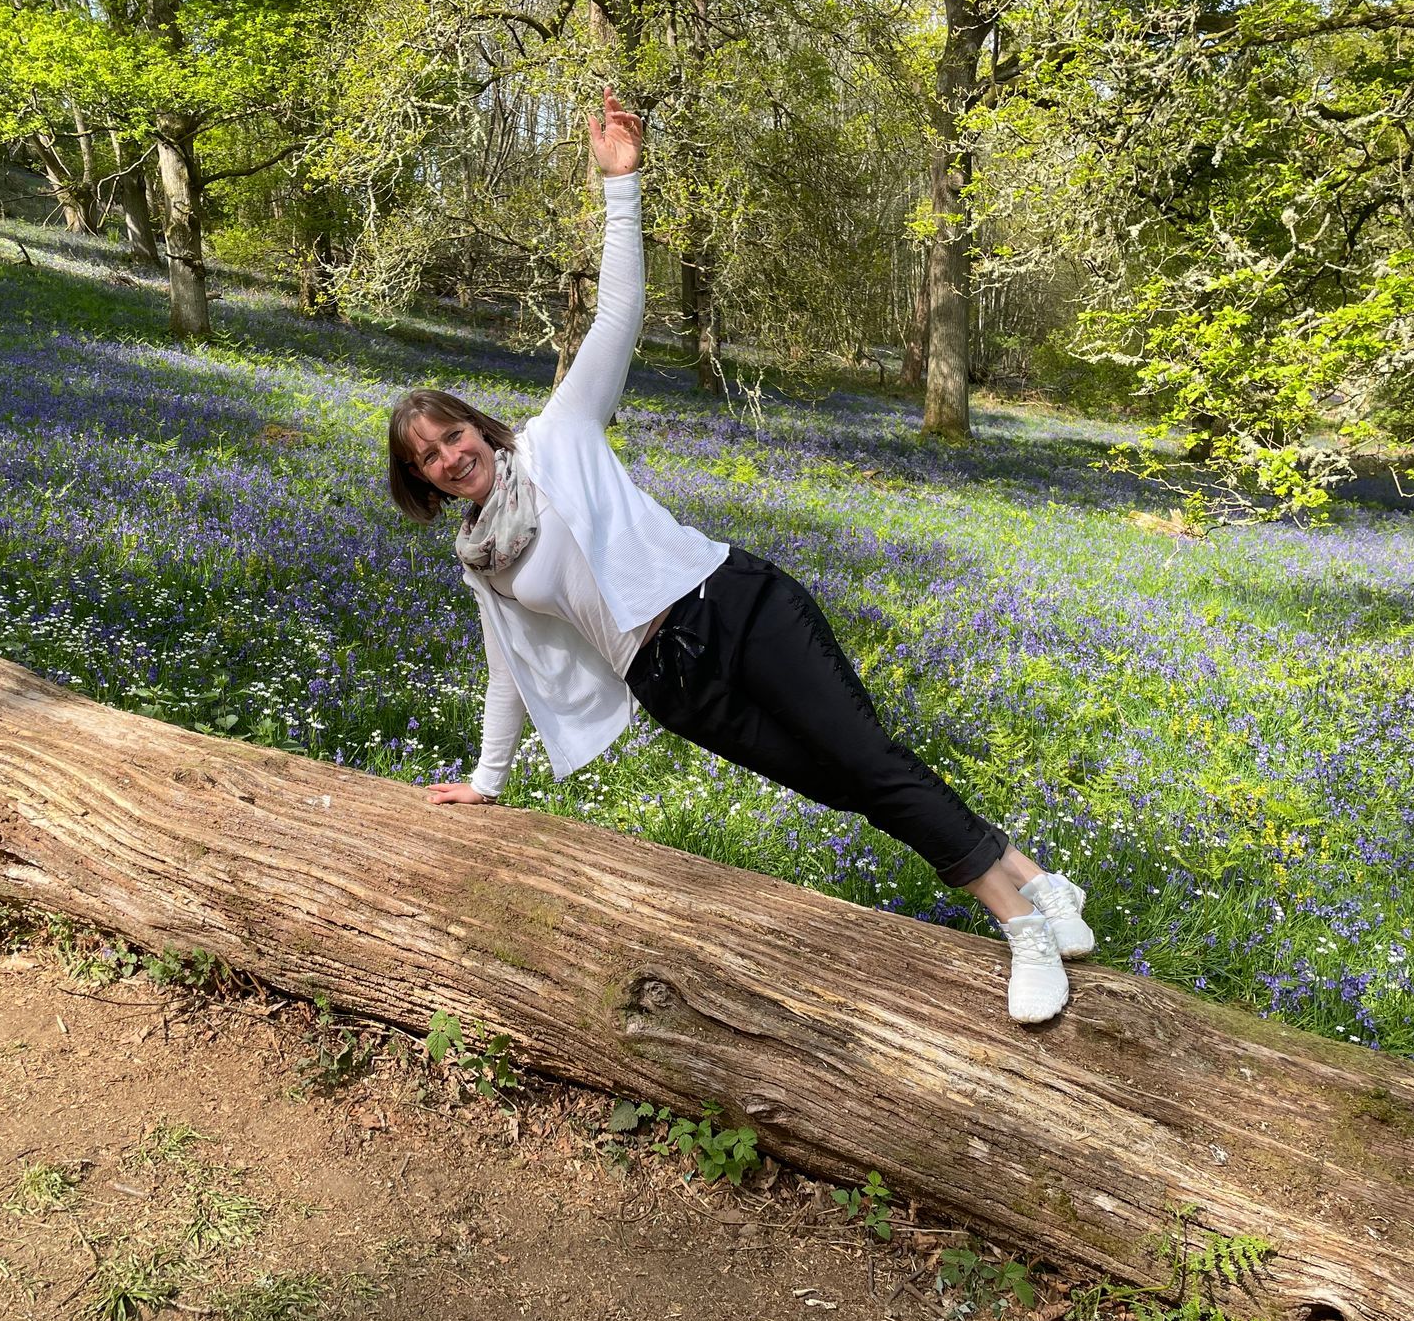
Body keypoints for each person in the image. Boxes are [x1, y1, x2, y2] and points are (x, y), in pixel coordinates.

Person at [385, 88, 1095, 1023]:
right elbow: (508, 670)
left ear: (476, 427)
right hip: (672, 685)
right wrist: (487, 780)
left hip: (733, 606)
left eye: (452, 435)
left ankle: (1019, 924)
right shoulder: (485, 560)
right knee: (851, 785)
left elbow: (619, 313)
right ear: (427, 483)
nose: (450, 456)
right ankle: (1036, 878)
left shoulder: (558, 437)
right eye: (430, 458)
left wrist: (621, 188)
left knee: (871, 764)